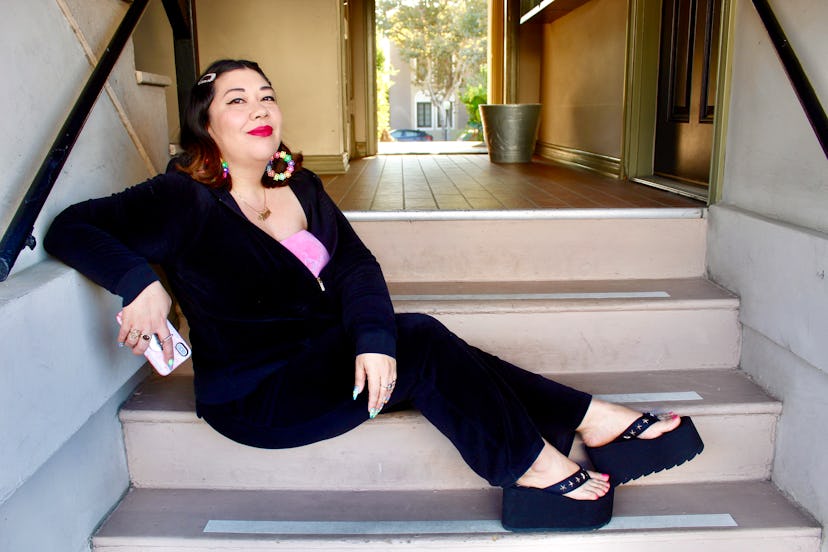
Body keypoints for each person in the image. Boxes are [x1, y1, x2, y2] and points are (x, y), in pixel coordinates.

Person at [44, 59, 703, 531]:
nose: (259, 109)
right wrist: (142, 285)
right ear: (206, 124)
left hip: (324, 356)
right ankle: (535, 464)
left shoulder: (298, 185)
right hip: (256, 393)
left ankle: (589, 419)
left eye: (267, 96)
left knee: (426, 343)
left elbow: (355, 264)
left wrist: (371, 338)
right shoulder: (181, 200)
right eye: (236, 99)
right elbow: (72, 228)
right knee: (419, 339)